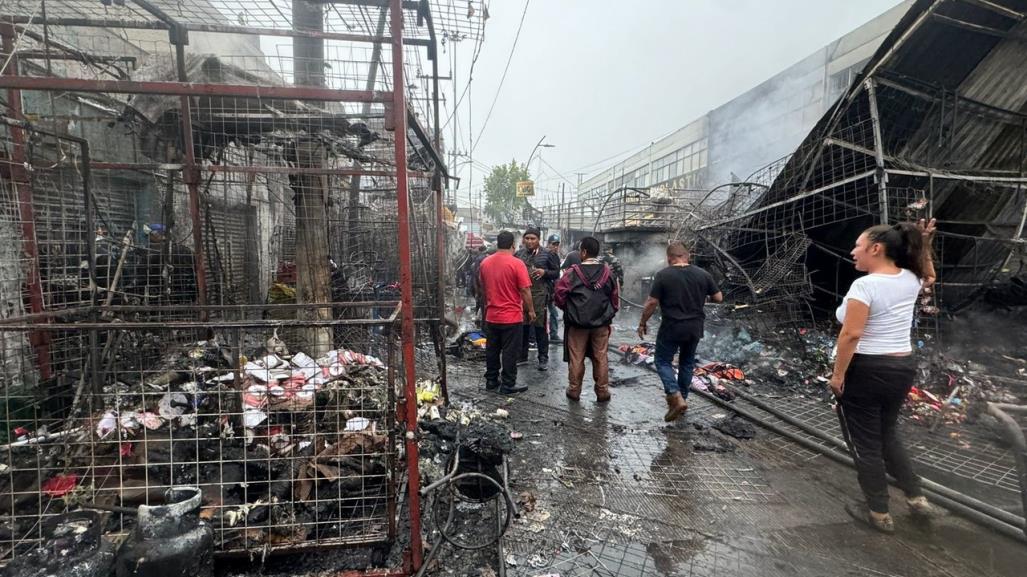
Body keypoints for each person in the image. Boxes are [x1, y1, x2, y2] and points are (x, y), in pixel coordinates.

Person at [831, 219, 937, 533]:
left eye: (858, 246)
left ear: (876, 249)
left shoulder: (865, 285)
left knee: (865, 444)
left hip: (866, 370)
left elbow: (851, 334)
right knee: (888, 434)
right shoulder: (910, 279)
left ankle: (879, 512)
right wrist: (926, 244)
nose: (853, 252)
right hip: (901, 368)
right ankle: (916, 498)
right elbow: (929, 275)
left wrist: (838, 376)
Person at [637, 241, 723, 422]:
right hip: (695, 327)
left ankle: (675, 395)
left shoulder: (663, 275)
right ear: (687, 255)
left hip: (672, 327)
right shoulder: (703, 274)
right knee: (687, 363)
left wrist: (643, 322)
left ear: (669, 259)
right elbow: (718, 298)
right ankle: (682, 399)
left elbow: (652, 302)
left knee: (662, 361)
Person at [554, 236, 619, 403]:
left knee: (576, 357)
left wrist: (569, 310)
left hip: (577, 324)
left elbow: (559, 296)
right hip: (601, 324)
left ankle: (574, 390)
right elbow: (615, 298)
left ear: (583, 252)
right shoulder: (608, 272)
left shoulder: (572, 273)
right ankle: (603, 391)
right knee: (601, 356)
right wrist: (607, 314)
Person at [479, 231, 534, 394]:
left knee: (492, 349)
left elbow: (483, 287)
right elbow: (524, 289)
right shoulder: (517, 264)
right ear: (513, 245)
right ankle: (508, 384)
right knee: (510, 352)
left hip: (491, 315)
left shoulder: (485, 263)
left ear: (497, 243)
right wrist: (530, 310)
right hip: (511, 317)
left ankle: (491, 381)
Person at [515, 227, 560, 371]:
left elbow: (556, 273)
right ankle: (522, 355)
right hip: (522, 295)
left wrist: (544, 272)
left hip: (540, 295)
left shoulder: (548, 255)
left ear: (538, 240)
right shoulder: (519, 254)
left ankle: (543, 358)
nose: (529, 241)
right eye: (527, 238)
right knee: (523, 326)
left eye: (532, 238)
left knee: (540, 327)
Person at [546, 234, 564, 343]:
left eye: (557, 245)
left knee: (554, 313)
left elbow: (557, 275)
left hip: (552, 290)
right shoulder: (545, 256)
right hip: (545, 289)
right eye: (554, 244)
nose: (556, 247)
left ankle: (553, 334)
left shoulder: (556, 257)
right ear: (549, 244)